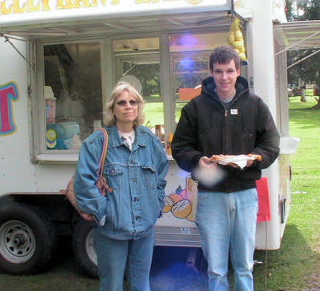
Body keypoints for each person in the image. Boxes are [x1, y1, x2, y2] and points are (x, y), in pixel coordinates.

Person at [171, 45, 280, 291]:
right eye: (219, 72)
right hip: (211, 196)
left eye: (229, 71)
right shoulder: (195, 108)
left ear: (238, 72)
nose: (224, 77)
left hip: (245, 194)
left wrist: (255, 157)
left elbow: (271, 145)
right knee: (216, 268)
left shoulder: (255, 105)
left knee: (244, 266)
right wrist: (198, 160)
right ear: (211, 72)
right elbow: (180, 148)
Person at [74, 82, 169, 291]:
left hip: (145, 228)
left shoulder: (150, 141)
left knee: (142, 284)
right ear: (112, 109)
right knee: (112, 285)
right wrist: (103, 214)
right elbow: (83, 182)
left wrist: (156, 205)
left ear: (139, 107)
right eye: (122, 102)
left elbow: (161, 176)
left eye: (133, 102)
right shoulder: (97, 142)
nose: (128, 106)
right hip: (112, 230)